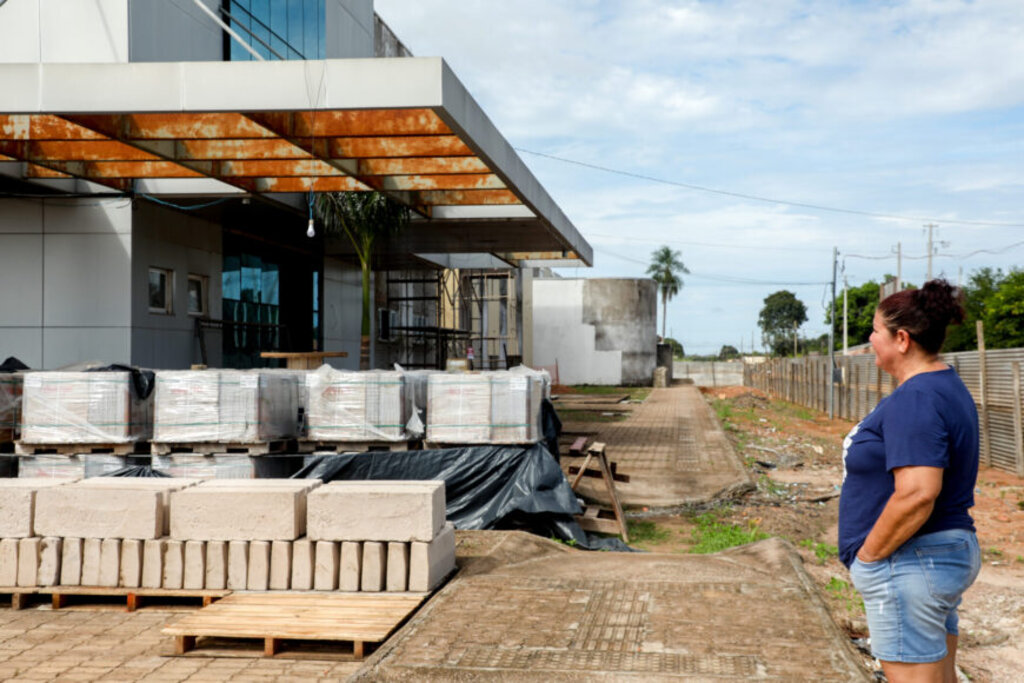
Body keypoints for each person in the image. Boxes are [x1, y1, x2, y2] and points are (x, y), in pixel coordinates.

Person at [839, 279, 980, 683]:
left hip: (910, 561)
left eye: (875, 330)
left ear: (902, 339)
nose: (869, 339)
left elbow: (918, 492)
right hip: (934, 557)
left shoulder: (916, 398)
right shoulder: (943, 385)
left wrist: (868, 558)